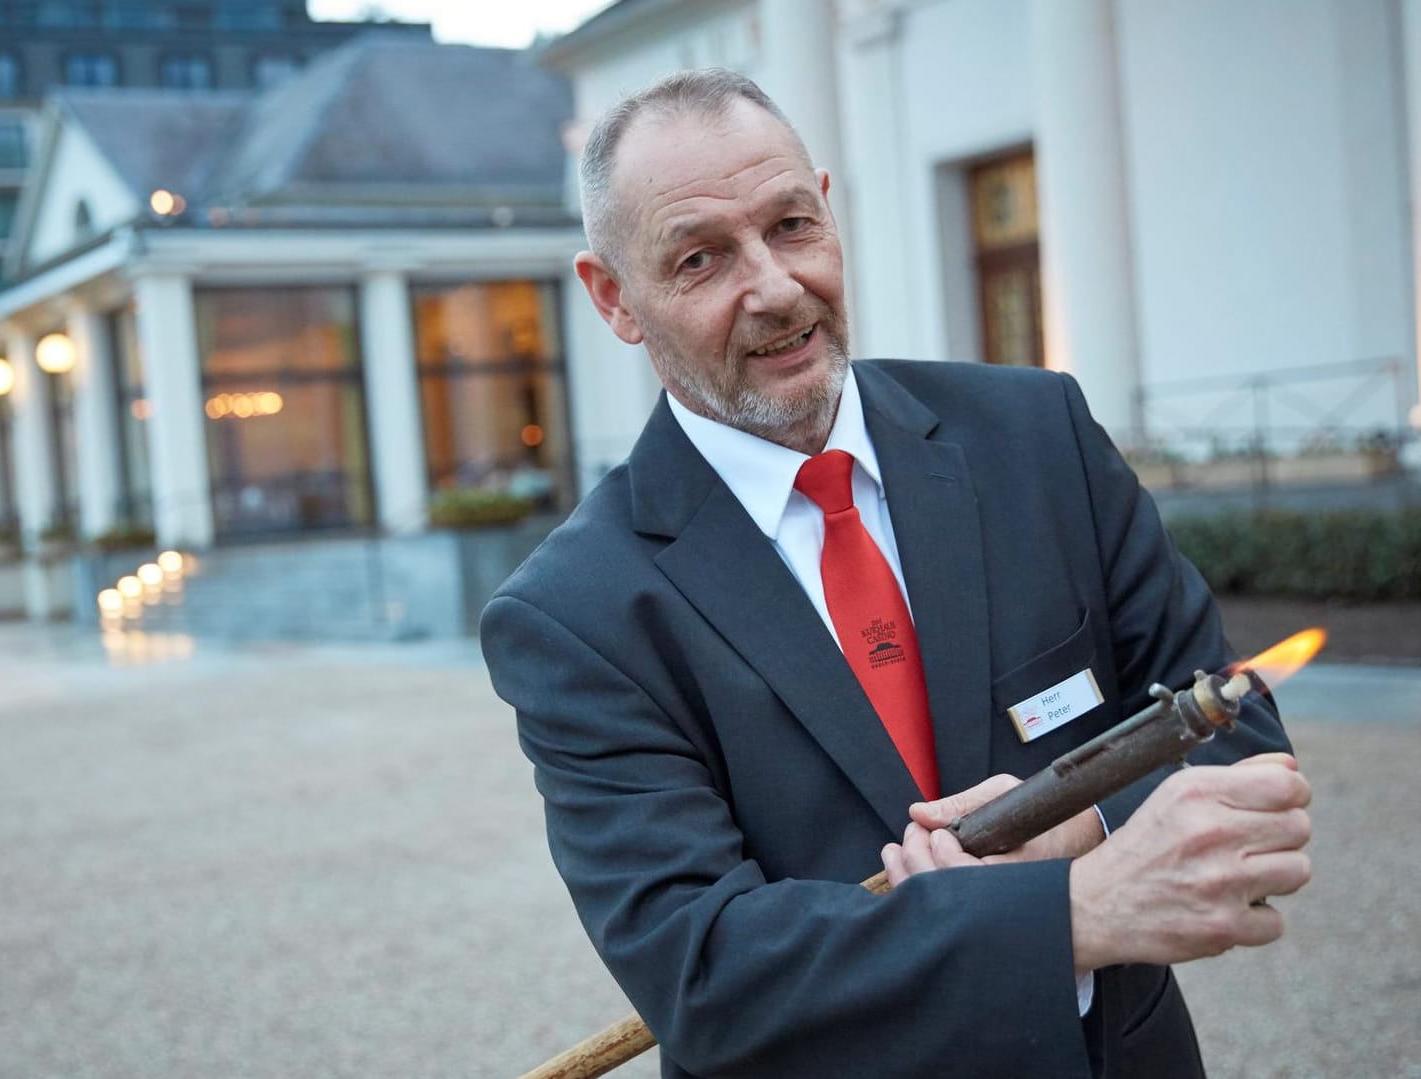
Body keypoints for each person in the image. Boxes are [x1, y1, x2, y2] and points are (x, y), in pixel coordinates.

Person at [479, 69, 1311, 1079]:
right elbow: (707, 974)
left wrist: (1079, 826)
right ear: (614, 296)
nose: (776, 286)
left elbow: (1238, 728)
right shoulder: (576, 611)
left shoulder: (1037, 438)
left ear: (827, 207)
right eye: (701, 258)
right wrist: (1068, 916)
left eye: (790, 225)